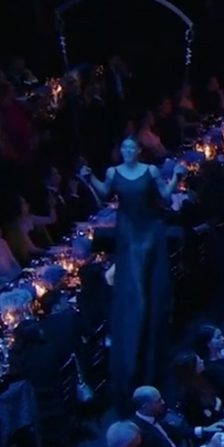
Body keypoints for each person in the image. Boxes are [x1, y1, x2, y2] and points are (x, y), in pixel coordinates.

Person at [78, 138, 178, 398]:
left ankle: (149, 332)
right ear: (121, 151)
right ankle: (133, 332)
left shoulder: (151, 171)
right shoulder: (112, 172)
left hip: (149, 228)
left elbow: (165, 198)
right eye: (125, 148)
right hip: (128, 229)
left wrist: (176, 177)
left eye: (133, 148)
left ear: (139, 151)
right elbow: (103, 194)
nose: (129, 152)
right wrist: (89, 179)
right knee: (134, 284)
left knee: (149, 282)